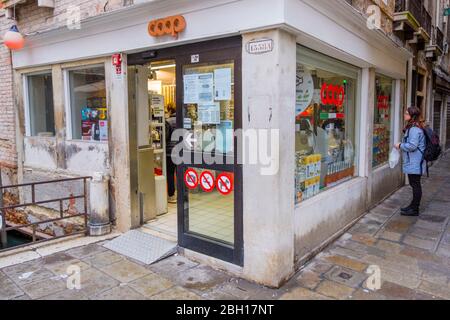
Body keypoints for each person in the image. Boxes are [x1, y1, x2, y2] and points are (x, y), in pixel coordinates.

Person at [395, 106, 426, 217]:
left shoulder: (414, 129)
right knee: (414, 184)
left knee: (415, 184)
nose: (404, 115)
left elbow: (412, 146)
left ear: (412, 116)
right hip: (414, 161)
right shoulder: (414, 127)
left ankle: (415, 209)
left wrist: (400, 145)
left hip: (415, 162)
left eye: (407, 113)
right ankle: (412, 206)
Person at [165, 103, 177, 204]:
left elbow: (165, 137)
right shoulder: (184, 120)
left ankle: (172, 196)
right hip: (182, 151)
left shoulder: (168, 122)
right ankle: (183, 194)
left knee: (170, 173)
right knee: (180, 173)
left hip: (170, 151)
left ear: (170, 110)